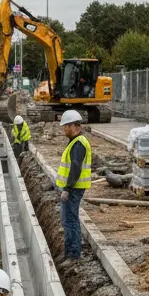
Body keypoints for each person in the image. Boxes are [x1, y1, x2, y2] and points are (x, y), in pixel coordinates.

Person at [55, 109, 91, 267]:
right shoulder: (75, 142)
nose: (64, 129)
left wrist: (67, 189)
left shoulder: (78, 144)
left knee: (70, 222)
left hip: (73, 189)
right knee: (67, 221)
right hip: (72, 188)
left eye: (66, 126)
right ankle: (68, 253)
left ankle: (73, 255)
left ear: (73, 126)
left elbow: (75, 169)